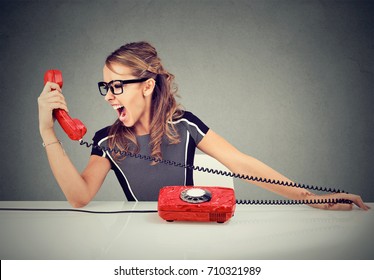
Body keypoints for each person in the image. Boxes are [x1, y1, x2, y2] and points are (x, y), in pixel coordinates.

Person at [38, 41, 370, 211]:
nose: (109, 96)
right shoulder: (106, 141)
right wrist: (48, 131)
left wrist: (313, 199)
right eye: (106, 87)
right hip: (138, 243)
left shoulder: (184, 125)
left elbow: (242, 163)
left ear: (147, 86)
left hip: (190, 236)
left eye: (117, 86)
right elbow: (79, 196)